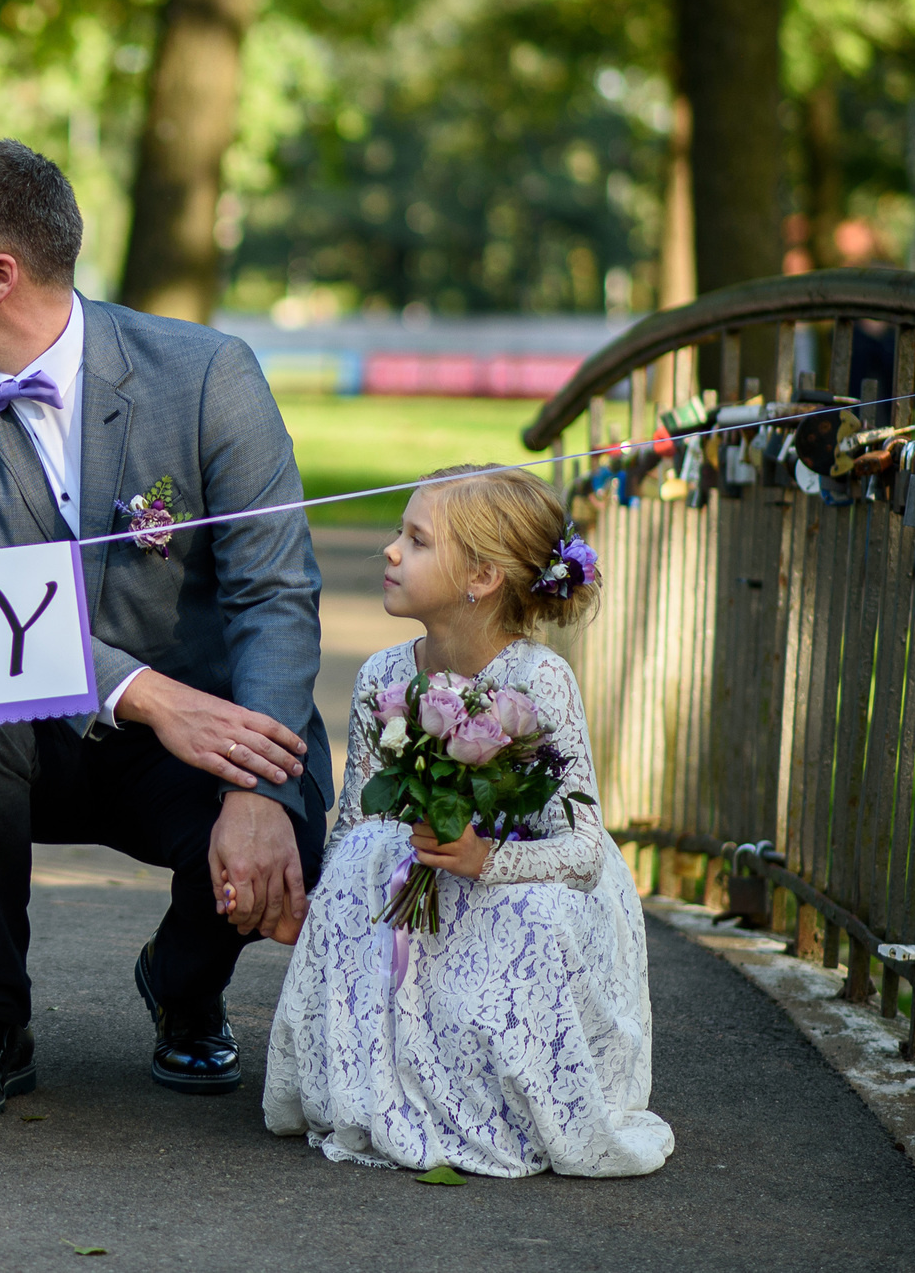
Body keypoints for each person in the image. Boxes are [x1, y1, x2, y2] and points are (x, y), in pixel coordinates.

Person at [0, 140, 329, 1121]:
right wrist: (142, 695)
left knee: (292, 799)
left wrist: (257, 785)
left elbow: (274, 591)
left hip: (194, 734)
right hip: (27, 728)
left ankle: (184, 982)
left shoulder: (208, 373)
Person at [264, 467, 673, 1177]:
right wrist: (322, 903)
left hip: (516, 871)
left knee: (534, 916)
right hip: (423, 865)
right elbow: (359, 819)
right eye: (399, 533)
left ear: (480, 576)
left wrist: (487, 859)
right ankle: (389, 1082)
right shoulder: (383, 674)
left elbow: (582, 853)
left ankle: (510, 1095)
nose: (390, 551)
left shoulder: (538, 679)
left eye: (416, 540)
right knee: (363, 859)